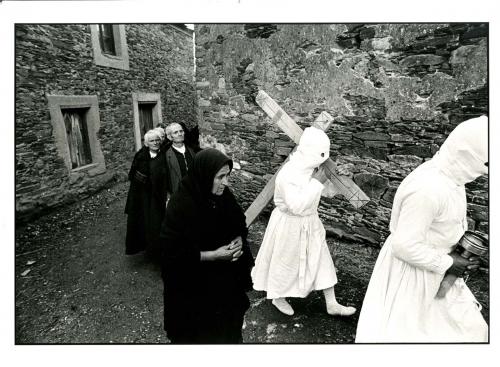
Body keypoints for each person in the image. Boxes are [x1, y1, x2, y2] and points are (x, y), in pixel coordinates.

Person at [355, 115, 488, 343]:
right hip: (413, 275)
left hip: (436, 268)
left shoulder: (452, 177)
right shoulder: (427, 190)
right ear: (467, 156)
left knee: (467, 330)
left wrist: (460, 252)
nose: (483, 171)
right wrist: (450, 263)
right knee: (408, 336)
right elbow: (404, 246)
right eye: (484, 164)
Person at [251, 126, 356, 317]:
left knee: (321, 258)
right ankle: (278, 296)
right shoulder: (287, 175)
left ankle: (331, 303)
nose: (323, 161)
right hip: (289, 225)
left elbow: (327, 191)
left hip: (310, 222)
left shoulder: (312, 168)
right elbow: (296, 206)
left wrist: (341, 177)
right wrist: (318, 181)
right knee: (285, 262)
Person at [160, 148, 254, 343]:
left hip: (224, 283)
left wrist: (238, 238)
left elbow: (239, 221)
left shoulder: (224, 196)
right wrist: (214, 255)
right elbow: (172, 253)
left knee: (228, 332)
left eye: (227, 176)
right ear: (204, 174)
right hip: (194, 288)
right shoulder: (181, 205)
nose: (225, 183)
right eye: (220, 177)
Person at [124, 129, 164, 255]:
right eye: (152, 141)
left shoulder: (164, 154)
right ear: (146, 143)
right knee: (146, 221)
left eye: (157, 140)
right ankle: (149, 247)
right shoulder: (141, 156)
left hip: (160, 194)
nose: (155, 143)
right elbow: (134, 177)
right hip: (144, 196)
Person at [164, 122, 197, 199]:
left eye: (181, 131)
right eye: (175, 132)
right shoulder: (166, 155)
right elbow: (164, 180)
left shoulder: (192, 151)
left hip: (195, 193)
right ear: (170, 137)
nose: (180, 134)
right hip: (178, 195)